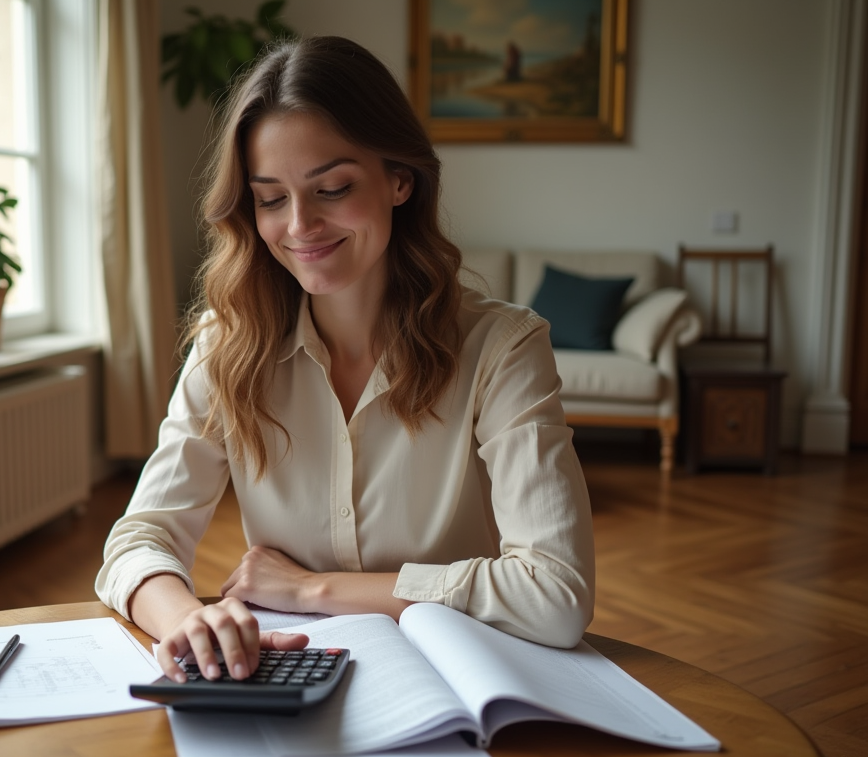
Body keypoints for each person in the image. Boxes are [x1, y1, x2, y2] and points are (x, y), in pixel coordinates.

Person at [95, 36, 594, 685]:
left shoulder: (502, 348)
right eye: (271, 198)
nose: (300, 225)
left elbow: (555, 596)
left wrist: (312, 590)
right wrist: (186, 617)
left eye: (331, 187)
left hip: (461, 679)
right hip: (285, 676)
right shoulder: (227, 347)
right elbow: (135, 544)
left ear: (399, 180)